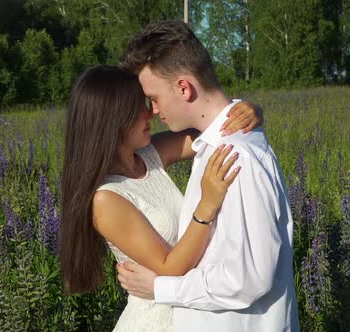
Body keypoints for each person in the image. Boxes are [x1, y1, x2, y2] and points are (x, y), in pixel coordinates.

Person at [116, 20, 300, 331]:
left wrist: (161, 288)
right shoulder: (215, 145)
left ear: (184, 87)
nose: (154, 110)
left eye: (155, 98)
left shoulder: (235, 158)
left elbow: (250, 277)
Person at [59, 65, 263, 331]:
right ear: (114, 120)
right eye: (140, 107)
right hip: (155, 322)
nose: (151, 113)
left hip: (190, 312)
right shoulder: (106, 200)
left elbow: (215, 130)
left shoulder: (150, 154)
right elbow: (170, 268)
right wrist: (207, 204)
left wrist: (250, 111)